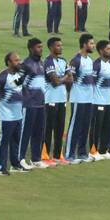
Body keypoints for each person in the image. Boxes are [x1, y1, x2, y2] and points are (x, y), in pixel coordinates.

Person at [0, 51, 27, 175]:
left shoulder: (19, 74)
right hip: (6, 115)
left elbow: (17, 87)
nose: (19, 62)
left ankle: (15, 164)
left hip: (18, 114)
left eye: (19, 60)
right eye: (16, 60)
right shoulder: (2, 77)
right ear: (9, 62)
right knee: (4, 141)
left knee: (16, 140)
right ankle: (1, 167)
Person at [67, 34, 97, 162]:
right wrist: (70, 94)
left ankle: (82, 153)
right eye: (91, 43)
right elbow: (69, 80)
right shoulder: (76, 60)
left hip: (89, 99)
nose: (93, 46)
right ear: (84, 45)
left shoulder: (89, 60)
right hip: (78, 99)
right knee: (75, 127)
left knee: (85, 126)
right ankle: (70, 154)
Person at [19, 38, 48, 169]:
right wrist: (25, 98)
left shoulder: (41, 63)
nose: (41, 49)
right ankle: (20, 158)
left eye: (41, 47)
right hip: (29, 104)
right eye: (38, 47)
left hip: (40, 104)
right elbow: (18, 83)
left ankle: (36, 159)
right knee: (25, 132)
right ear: (31, 49)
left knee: (38, 133)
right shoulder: (25, 65)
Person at [43, 36, 69, 164]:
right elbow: (55, 82)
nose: (61, 47)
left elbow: (71, 79)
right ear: (51, 47)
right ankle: (45, 156)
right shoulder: (48, 62)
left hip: (62, 99)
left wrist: (61, 79)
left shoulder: (63, 61)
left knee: (60, 129)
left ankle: (58, 156)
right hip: (50, 99)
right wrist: (63, 78)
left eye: (61, 45)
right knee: (48, 129)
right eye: (58, 45)